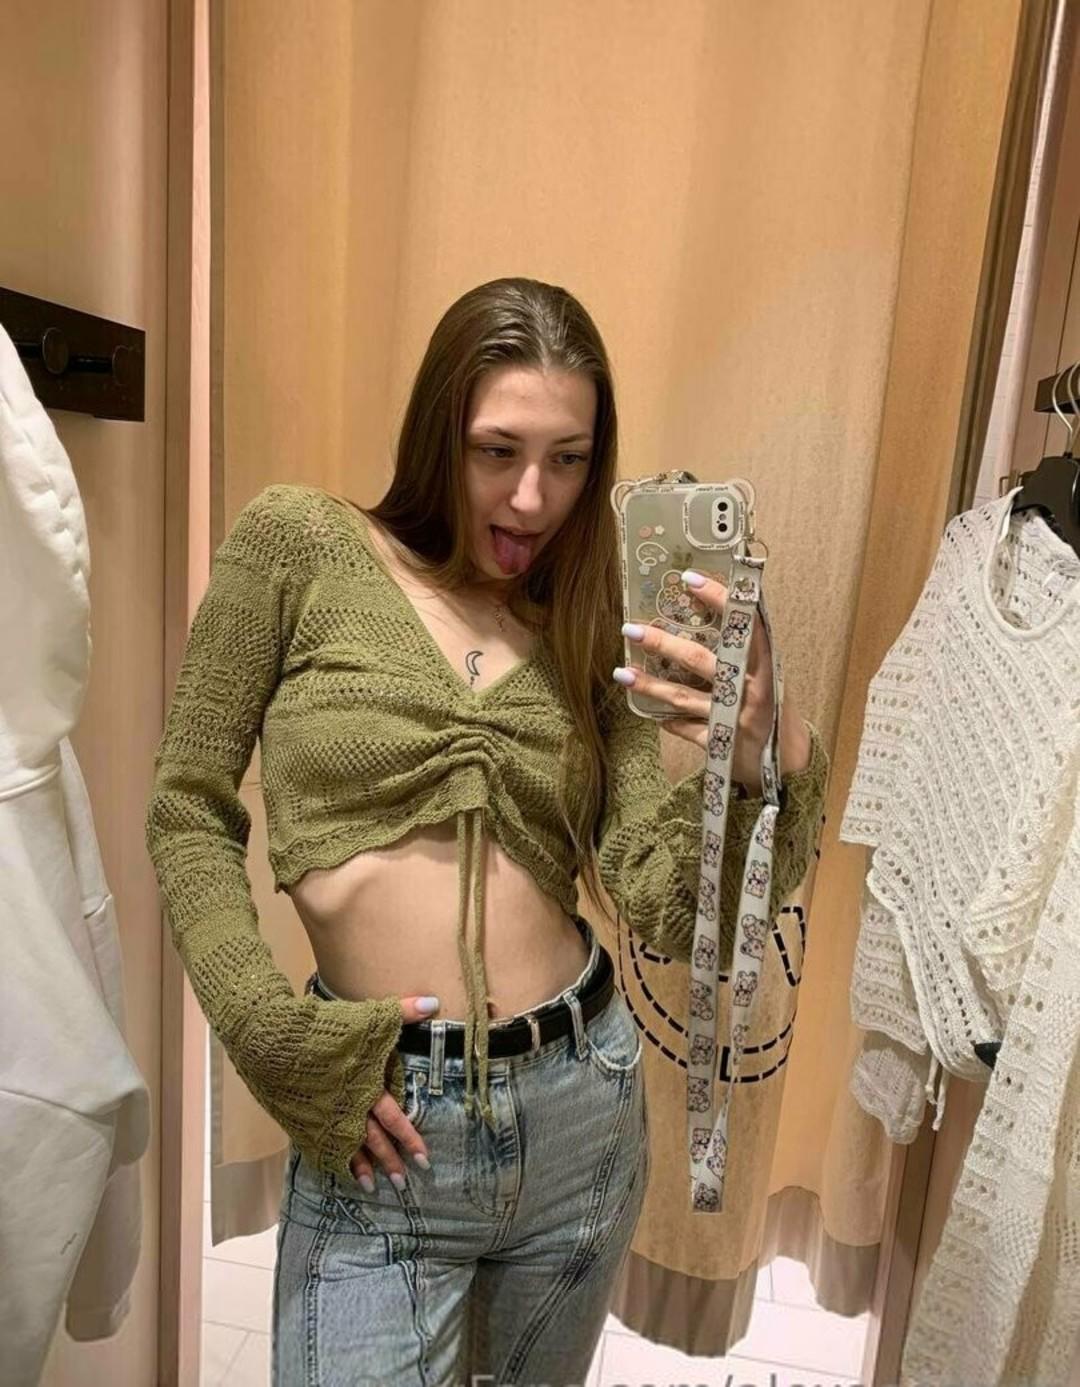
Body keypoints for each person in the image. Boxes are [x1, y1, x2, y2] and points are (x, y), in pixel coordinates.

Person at [145, 277, 828, 1387]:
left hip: (580, 1112)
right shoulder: (298, 546)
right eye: (496, 451)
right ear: (437, 435)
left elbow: (660, 901)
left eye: (569, 459)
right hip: (382, 1123)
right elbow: (186, 806)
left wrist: (763, 759)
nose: (531, 496)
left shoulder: (592, 627)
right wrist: (265, 1031)